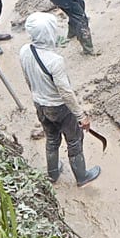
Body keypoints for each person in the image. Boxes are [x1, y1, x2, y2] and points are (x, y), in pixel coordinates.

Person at [20, 11, 101, 186]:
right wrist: (81, 116)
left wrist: (37, 97)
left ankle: (53, 174)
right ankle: (82, 176)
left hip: (40, 104)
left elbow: (28, 79)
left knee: (51, 139)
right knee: (74, 140)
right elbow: (65, 92)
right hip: (59, 107)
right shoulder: (55, 60)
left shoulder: (25, 51)